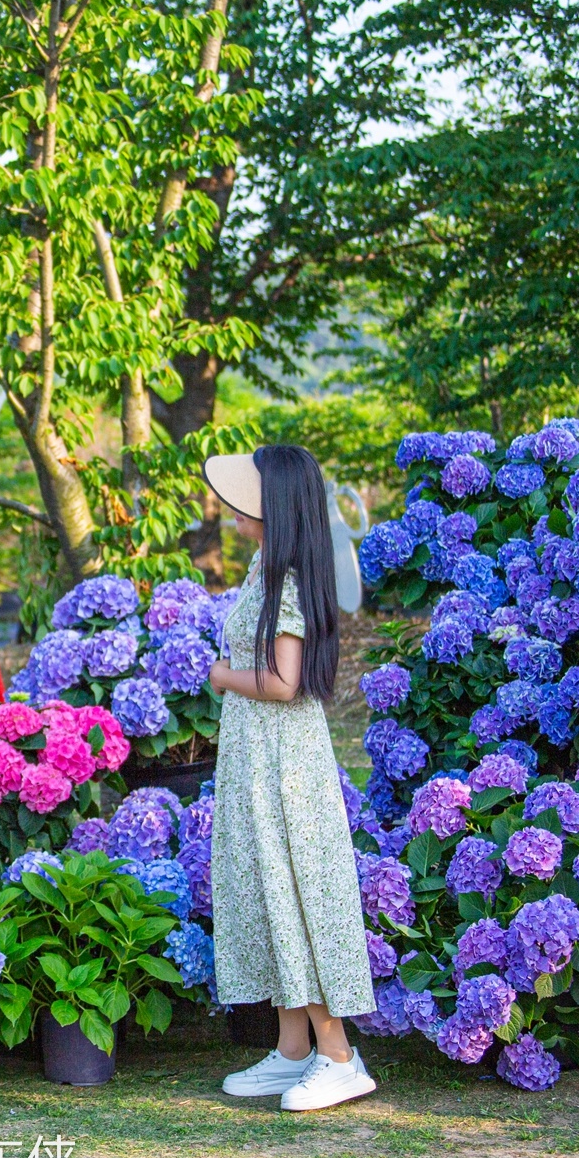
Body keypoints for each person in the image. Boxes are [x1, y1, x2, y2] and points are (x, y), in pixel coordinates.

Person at [202, 444, 377, 1111]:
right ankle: (294, 1049)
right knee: (267, 891)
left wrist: (219, 674)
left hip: (283, 763)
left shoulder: (294, 577)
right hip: (258, 758)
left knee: (295, 893)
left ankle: (339, 1055)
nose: (233, 505)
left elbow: (283, 681)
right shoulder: (266, 565)